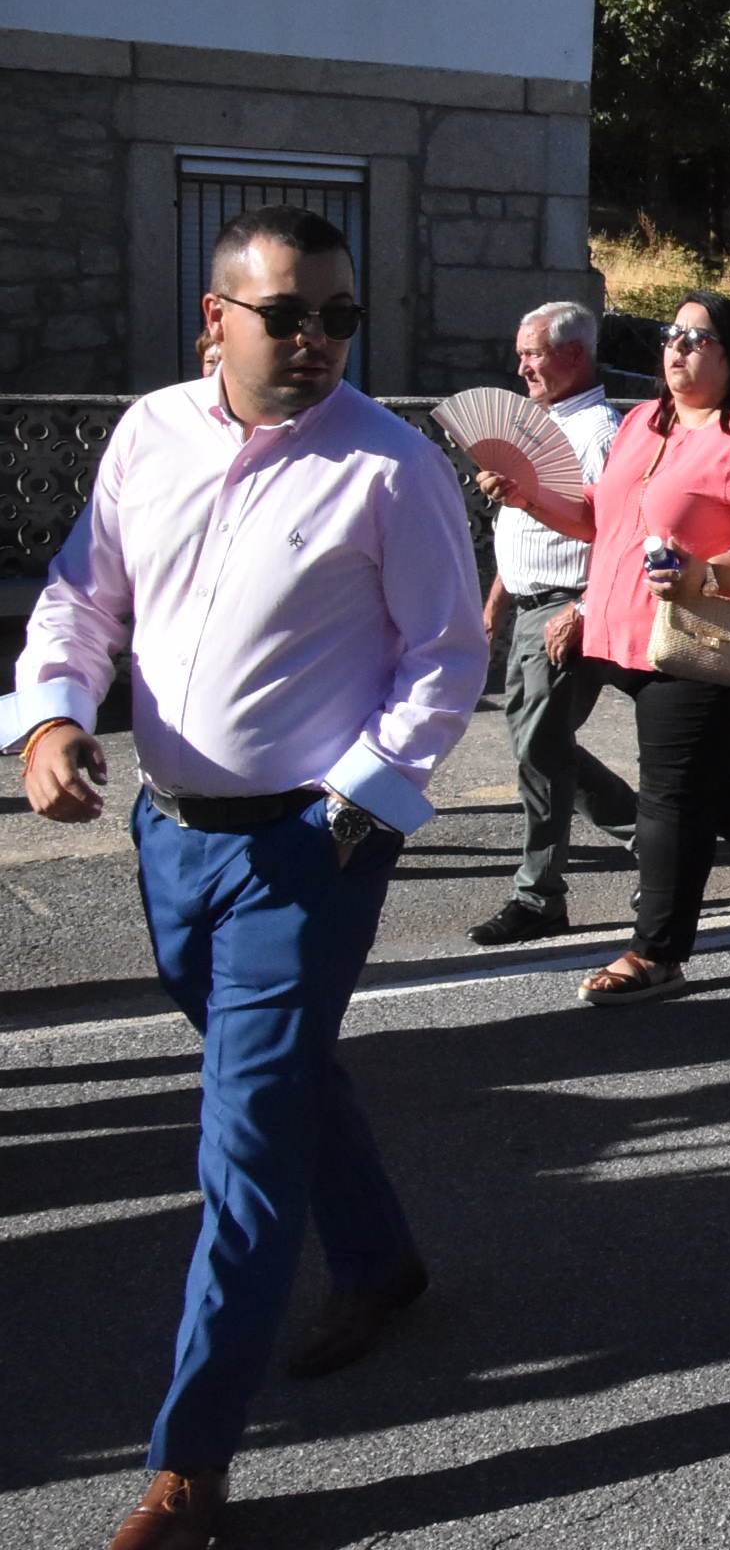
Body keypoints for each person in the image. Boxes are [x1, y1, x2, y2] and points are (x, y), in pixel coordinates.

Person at [5, 206, 485, 1550]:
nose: (320, 339)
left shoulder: (391, 467)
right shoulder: (148, 433)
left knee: (246, 1143)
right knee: (274, 1074)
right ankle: (380, 1262)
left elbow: (446, 657)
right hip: (170, 835)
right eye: (290, 315)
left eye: (341, 315)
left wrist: (354, 810)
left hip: (305, 851)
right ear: (214, 318)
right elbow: (83, 595)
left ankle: (191, 1464)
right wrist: (50, 719)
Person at [488, 291, 730, 1005]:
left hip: (700, 646)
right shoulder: (642, 423)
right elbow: (600, 516)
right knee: (717, 790)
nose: (677, 348)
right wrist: (529, 495)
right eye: (671, 334)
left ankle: (657, 953)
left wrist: (705, 574)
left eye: (697, 338)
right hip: (623, 638)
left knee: (669, 798)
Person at [468, 300, 638, 945]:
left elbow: (620, 534)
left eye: (533, 354)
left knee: (539, 749)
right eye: (520, 355)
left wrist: (583, 607)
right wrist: (495, 603)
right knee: (537, 745)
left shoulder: (600, 433)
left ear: (573, 354)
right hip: (529, 604)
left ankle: (539, 895)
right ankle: (653, 836)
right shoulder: (538, 425)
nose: (522, 368)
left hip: (567, 605)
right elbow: (521, 532)